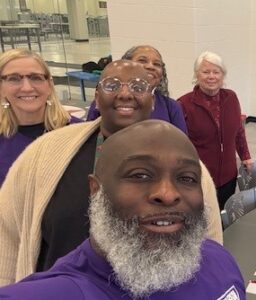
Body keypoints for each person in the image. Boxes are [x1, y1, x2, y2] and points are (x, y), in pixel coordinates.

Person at [0, 60, 222, 286]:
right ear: (96, 97)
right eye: (112, 85)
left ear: (152, 101)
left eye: (138, 87)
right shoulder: (46, 151)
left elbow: (209, 240)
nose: (125, 93)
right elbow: (7, 235)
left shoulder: (189, 167)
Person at [0, 120, 246, 299]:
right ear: (96, 190)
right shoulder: (63, 291)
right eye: (140, 174)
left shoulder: (219, 259)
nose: (168, 194)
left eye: (187, 178)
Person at [178, 51, 253, 209]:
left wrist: (245, 156)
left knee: (224, 219)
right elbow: (179, 145)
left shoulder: (231, 98)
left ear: (222, 75)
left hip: (228, 176)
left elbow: (239, 130)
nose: (211, 76)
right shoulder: (184, 104)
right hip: (199, 178)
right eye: (205, 72)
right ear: (197, 75)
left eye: (216, 72)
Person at [0, 48, 81, 186]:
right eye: (14, 79)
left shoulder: (79, 133)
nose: (27, 88)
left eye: (35, 78)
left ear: (49, 84)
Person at [86, 45, 187, 133]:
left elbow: (182, 145)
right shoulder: (104, 102)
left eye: (157, 64)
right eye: (142, 61)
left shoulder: (171, 107)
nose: (150, 66)